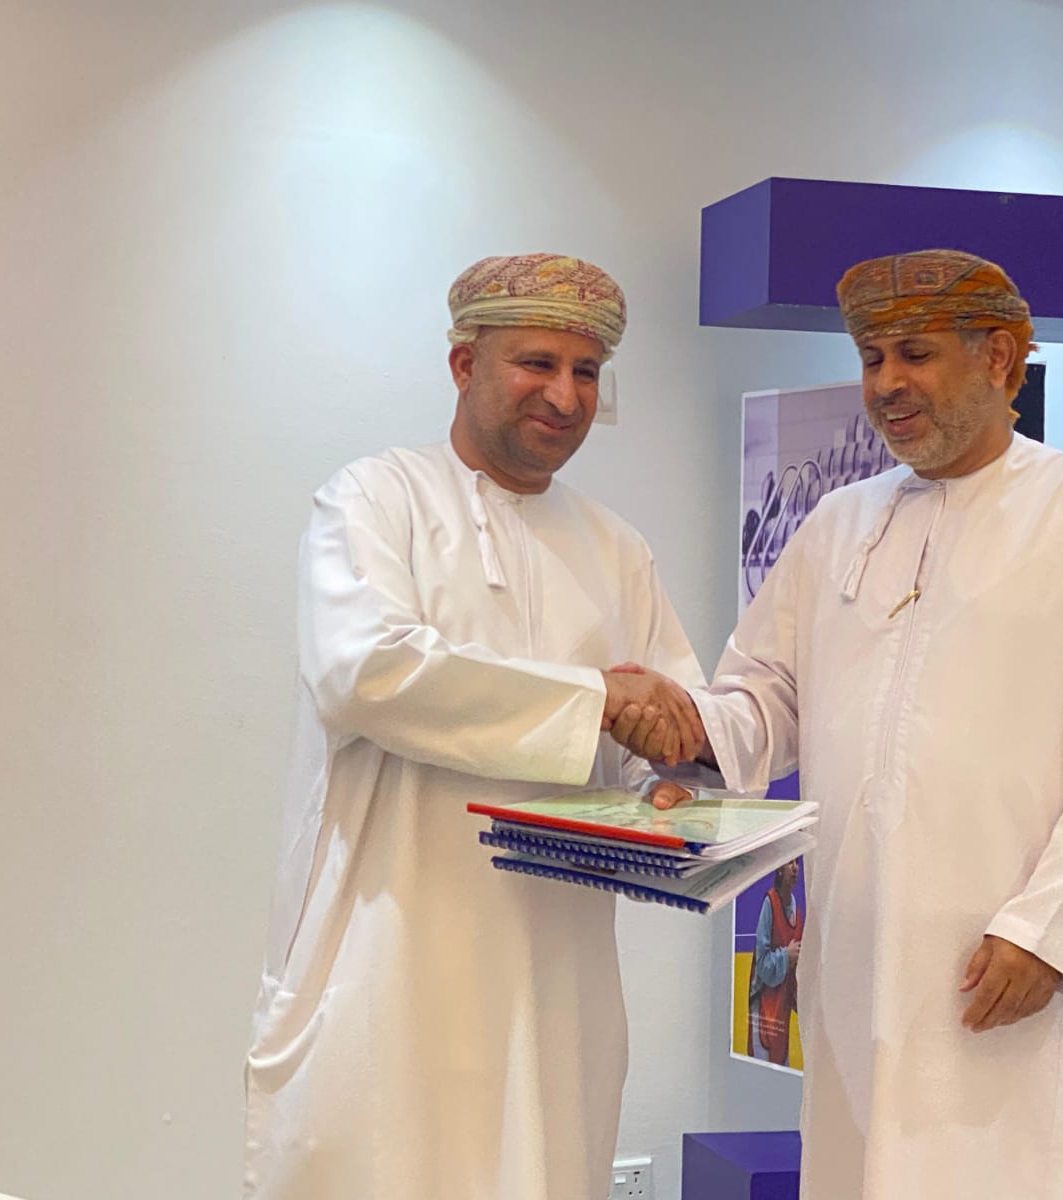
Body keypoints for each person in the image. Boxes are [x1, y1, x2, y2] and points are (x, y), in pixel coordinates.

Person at [641, 249, 1063, 1198]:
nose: (886, 385)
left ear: (1001, 359)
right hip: (864, 967)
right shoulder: (837, 524)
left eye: (915, 355)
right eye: (872, 359)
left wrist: (1047, 931)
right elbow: (765, 697)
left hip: (1019, 969)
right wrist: (684, 731)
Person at [243, 253, 704, 1200]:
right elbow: (366, 673)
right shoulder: (375, 499)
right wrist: (592, 699)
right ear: (464, 364)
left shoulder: (617, 547)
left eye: (586, 372)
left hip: (557, 963)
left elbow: (673, 718)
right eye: (537, 363)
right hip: (392, 946)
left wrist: (672, 777)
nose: (565, 396)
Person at [748, 857, 804, 1065]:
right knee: (762, 1069)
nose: (795, 868)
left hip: (782, 1006)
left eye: (797, 863)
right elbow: (762, 963)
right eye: (790, 863)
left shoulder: (797, 913)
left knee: (783, 1065)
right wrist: (785, 956)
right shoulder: (769, 904)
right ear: (779, 869)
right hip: (764, 1007)